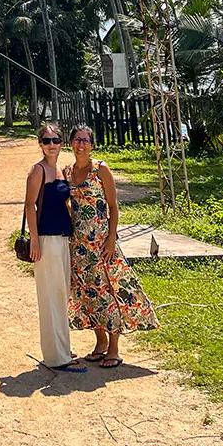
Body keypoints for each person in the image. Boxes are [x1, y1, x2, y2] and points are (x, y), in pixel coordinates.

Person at [64, 124, 159, 368]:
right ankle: (100, 342)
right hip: (79, 245)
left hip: (101, 243)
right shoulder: (67, 172)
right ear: (71, 143)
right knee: (88, 293)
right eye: (77, 140)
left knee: (108, 291)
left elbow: (113, 206)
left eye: (85, 140)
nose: (81, 144)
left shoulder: (101, 169)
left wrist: (111, 238)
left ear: (92, 145)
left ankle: (114, 348)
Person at [25, 121, 86, 372]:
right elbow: (30, 205)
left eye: (56, 141)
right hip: (47, 239)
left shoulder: (61, 171)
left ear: (62, 144)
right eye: (47, 141)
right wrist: (35, 240)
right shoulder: (37, 171)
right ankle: (56, 357)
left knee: (61, 295)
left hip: (63, 237)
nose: (52, 145)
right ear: (40, 144)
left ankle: (61, 348)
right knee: (50, 297)